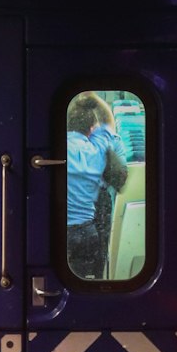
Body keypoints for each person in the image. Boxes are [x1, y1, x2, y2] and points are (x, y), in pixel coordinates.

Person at [66, 92, 126, 280]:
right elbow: (120, 179)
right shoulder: (98, 150)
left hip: (58, 229)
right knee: (88, 283)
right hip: (87, 230)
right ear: (92, 129)